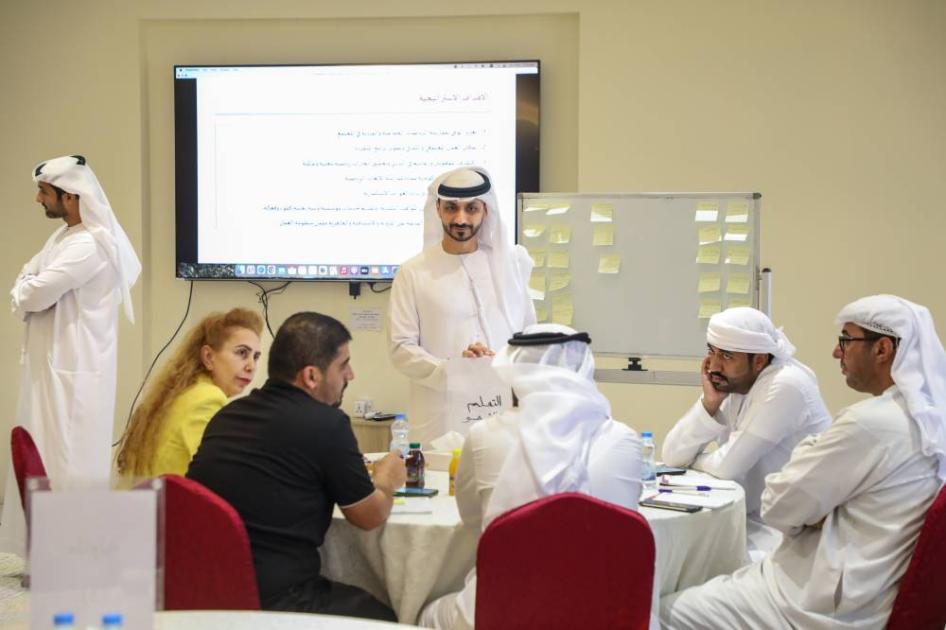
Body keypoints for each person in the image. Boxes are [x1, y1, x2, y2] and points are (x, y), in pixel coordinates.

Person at [660, 295, 946, 629]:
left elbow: (776, 506)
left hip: (818, 596)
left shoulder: (866, 421)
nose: (836, 352)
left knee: (660, 611)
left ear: (882, 349)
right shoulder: (927, 420)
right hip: (862, 586)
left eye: (846, 340)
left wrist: (814, 490)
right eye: (712, 351)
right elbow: (674, 455)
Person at [419, 323, 642, 630]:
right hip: (607, 615)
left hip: (500, 614)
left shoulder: (484, 435)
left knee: (422, 611)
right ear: (584, 369)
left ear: (513, 372)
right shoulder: (624, 439)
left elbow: (474, 522)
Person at [187, 312, 405, 621]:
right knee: (392, 616)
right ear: (311, 376)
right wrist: (387, 479)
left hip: (206, 593)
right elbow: (369, 516)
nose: (351, 375)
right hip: (280, 601)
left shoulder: (228, 416)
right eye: (343, 365)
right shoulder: (328, 424)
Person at [1, 154, 141, 555]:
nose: (38, 199)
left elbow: (34, 292)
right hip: (52, 372)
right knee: (43, 459)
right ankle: (46, 553)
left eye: (43, 192)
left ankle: (70, 557)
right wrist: (27, 287)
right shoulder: (64, 238)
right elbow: (27, 280)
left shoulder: (90, 245)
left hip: (75, 377)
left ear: (70, 196)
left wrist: (26, 289)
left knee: (67, 465)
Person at [661, 306, 831, 557]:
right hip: (750, 519)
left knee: (691, 562)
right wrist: (709, 403)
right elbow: (672, 455)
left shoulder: (786, 384)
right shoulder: (735, 384)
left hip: (791, 535)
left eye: (726, 356)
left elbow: (726, 468)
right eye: (711, 352)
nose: (714, 366)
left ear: (759, 360)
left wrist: (694, 460)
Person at [388, 167, 535, 444]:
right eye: (451, 208)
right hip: (440, 416)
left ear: (486, 210)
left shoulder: (511, 266)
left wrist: (497, 364)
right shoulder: (413, 272)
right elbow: (401, 348)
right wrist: (455, 370)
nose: (460, 218)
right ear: (438, 209)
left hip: (502, 411)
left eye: (472, 208)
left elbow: (529, 337)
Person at [116, 308, 263, 477]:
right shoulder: (208, 398)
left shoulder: (184, 393)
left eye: (256, 357)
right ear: (208, 357)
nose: (251, 366)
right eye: (242, 353)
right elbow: (220, 474)